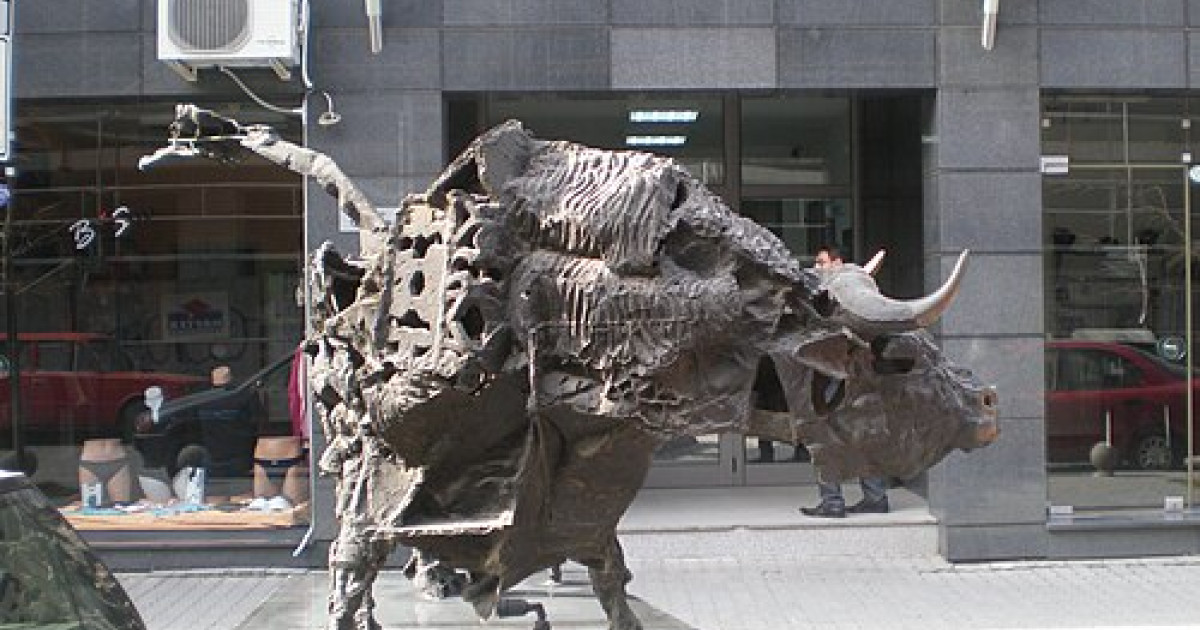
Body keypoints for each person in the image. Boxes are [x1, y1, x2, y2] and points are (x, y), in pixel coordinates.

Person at [799, 244, 889, 518]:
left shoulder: (843, 295)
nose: (817, 267)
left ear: (837, 263)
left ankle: (833, 501)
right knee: (858, 434)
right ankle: (875, 497)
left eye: (821, 262)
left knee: (823, 434)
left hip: (838, 377)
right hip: (845, 375)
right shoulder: (826, 294)